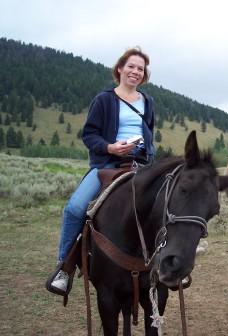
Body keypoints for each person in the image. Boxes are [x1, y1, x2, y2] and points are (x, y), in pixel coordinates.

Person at [49, 47, 156, 292]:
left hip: (141, 163)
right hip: (107, 164)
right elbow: (89, 135)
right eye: (131, 66)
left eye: (140, 69)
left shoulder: (148, 102)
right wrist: (110, 148)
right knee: (75, 208)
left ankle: (168, 265)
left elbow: (148, 133)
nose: (135, 72)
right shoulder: (104, 99)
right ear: (120, 68)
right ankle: (63, 269)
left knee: (166, 204)